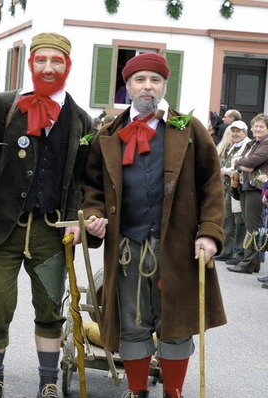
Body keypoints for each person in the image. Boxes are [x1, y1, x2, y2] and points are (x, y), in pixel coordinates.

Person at [81, 53, 227, 398]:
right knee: (132, 323)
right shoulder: (108, 134)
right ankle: (137, 391)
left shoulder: (188, 129)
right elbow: (92, 188)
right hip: (127, 248)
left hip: (177, 247)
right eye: (140, 79)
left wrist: (209, 232)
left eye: (155, 80)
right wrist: (93, 216)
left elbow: (212, 184)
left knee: (175, 325)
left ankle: (173, 391)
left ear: (164, 85)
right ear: (127, 86)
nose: (148, 86)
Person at [0, 32, 91, 398]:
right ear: (31, 63)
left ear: (67, 66)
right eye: (41, 60)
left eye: (57, 61)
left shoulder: (80, 118)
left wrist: (78, 218)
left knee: (51, 311)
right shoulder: (6, 103)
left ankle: (48, 383)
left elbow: (84, 179)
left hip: (50, 232)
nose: (48, 68)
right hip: (2, 228)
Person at [228, 113, 268, 274]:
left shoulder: (266, 144)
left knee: (252, 227)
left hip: (257, 187)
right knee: (248, 225)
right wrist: (243, 164)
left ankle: (248, 263)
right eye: (256, 126)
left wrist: (244, 163)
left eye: (261, 126)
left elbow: (251, 162)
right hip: (246, 185)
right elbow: (239, 161)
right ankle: (254, 262)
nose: (258, 129)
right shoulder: (252, 143)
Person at [215, 121, 251, 265]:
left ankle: (239, 254)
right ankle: (226, 251)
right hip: (230, 187)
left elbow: (245, 166)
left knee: (240, 222)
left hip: (240, 188)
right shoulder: (233, 147)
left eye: (239, 131)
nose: (235, 134)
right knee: (227, 220)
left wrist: (228, 171)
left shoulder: (248, 145)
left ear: (245, 132)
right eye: (233, 131)